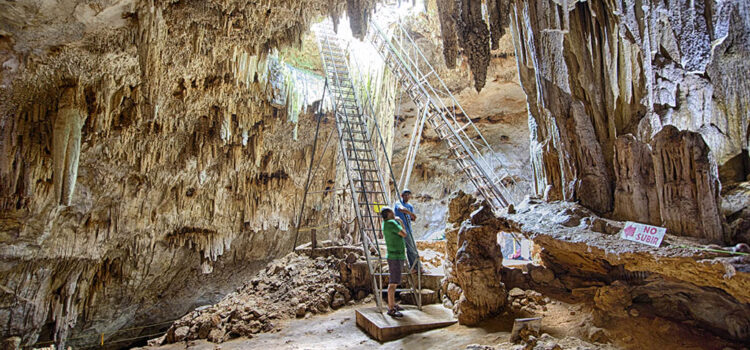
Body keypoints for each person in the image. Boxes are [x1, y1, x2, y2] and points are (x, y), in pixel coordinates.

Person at [380, 206, 407, 318]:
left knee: (394, 281)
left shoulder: (385, 224)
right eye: (392, 211)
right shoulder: (392, 223)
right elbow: (404, 233)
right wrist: (400, 221)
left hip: (393, 255)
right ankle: (391, 308)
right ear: (389, 214)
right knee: (393, 283)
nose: (393, 213)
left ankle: (393, 304)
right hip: (396, 256)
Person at [394, 189, 421, 272]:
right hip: (401, 230)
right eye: (405, 195)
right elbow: (401, 209)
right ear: (402, 196)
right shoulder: (398, 203)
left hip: (408, 230)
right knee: (411, 249)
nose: (407, 196)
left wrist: (412, 217)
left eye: (408, 195)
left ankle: (413, 267)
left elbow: (412, 218)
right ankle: (417, 267)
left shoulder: (410, 206)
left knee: (411, 249)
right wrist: (411, 214)